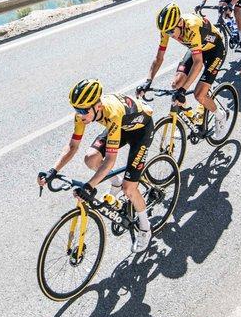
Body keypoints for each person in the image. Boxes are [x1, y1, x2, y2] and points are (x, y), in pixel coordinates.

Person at [40, 80, 158, 253]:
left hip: (141, 130)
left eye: (83, 111)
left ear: (98, 105)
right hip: (120, 127)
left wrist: (89, 186)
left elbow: (110, 159)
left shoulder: (112, 113)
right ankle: (115, 182)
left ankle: (146, 229)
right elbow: (73, 147)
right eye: (76, 110)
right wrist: (53, 170)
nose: (80, 115)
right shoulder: (85, 113)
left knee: (129, 189)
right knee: (91, 158)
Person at [144, 3, 227, 134]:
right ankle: (189, 116)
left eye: (171, 31)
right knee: (176, 84)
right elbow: (159, 58)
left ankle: (220, 115)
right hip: (197, 49)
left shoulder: (192, 26)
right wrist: (148, 81)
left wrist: (184, 90)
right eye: (166, 32)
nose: (169, 35)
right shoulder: (167, 29)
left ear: (179, 23)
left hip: (215, 50)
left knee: (199, 95)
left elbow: (198, 63)